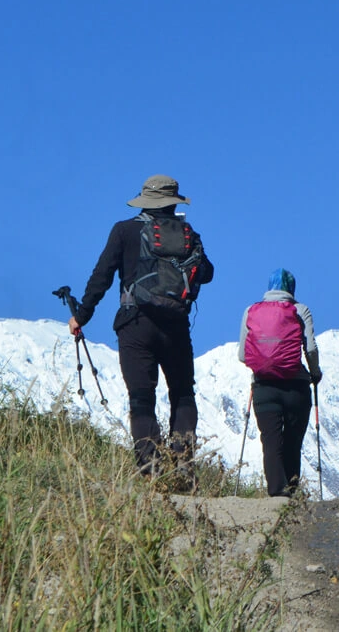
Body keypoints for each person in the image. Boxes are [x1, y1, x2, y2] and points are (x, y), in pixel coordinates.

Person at [69, 175, 214, 479]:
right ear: (173, 202)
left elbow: (102, 276)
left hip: (135, 324)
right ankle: (183, 468)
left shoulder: (124, 231)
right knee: (183, 394)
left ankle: (151, 471)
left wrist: (82, 316)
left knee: (141, 397)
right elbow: (207, 273)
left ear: (145, 201)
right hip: (176, 327)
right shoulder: (189, 234)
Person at [238, 269, 322, 497]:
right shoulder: (300, 310)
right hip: (296, 387)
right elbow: (310, 349)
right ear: (291, 289)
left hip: (264, 388)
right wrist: (315, 373)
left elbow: (243, 355)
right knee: (293, 441)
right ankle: (292, 492)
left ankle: (277, 493)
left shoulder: (251, 311)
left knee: (271, 441)